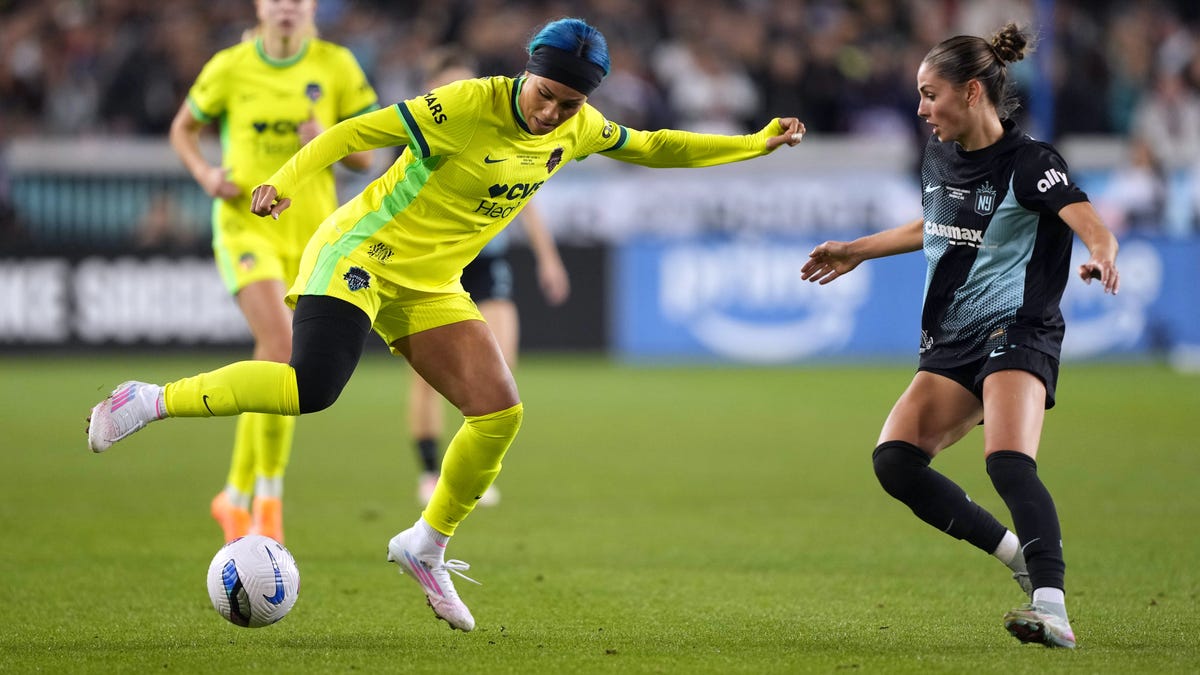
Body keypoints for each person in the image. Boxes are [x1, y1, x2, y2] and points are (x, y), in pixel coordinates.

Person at [87, 17, 805, 632]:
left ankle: (424, 546)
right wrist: (289, 177)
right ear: (529, 73)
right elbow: (353, 131)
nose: (555, 114)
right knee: (313, 385)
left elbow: (655, 147)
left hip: (431, 282)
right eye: (548, 96)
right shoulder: (466, 104)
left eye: (570, 103)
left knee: (499, 411)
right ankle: (147, 400)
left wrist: (754, 142)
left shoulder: (580, 126)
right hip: (362, 250)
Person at [800, 24, 1119, 649]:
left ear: (972, 92)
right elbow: (935, 224)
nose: (921, 110)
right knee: (895, 462)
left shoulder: (1033, 164)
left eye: (929, 95)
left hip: (1019, 328)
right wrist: (856, 250)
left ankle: (1051, 607)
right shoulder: (939, 156)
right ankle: (1017, 558)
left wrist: (1101, 254)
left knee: (1006, 460)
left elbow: (1091, 222)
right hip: (952, 338)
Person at [167, 0, 379, 544]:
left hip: (311, 237)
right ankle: (268, 501)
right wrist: (206, 175)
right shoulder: (230, 66)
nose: (287, 5)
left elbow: (368, 157)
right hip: (246, 227)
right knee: (281, 347)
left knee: (276, 361)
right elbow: (183, 129)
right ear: (260, 7)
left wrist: (327, 135)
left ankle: (234, 498)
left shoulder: (337, 65)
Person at [406, 49, 571, 506]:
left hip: (487, 262)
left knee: (498, 369)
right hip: (434, 264)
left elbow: (527, 198)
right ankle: (427, 471)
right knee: (427, 379)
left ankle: (465, 469)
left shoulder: (502, 131)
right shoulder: (427, 139)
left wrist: (548, 259)